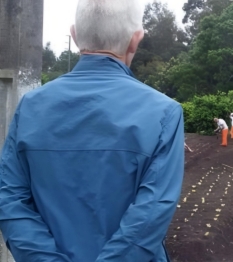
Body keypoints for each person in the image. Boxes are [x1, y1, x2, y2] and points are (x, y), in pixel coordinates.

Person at [0, 1, 184, 261]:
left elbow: (10, 199)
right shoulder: (165, 113)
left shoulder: (29, 107)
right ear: (136, 40)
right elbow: (152, 212)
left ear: (74, 35)